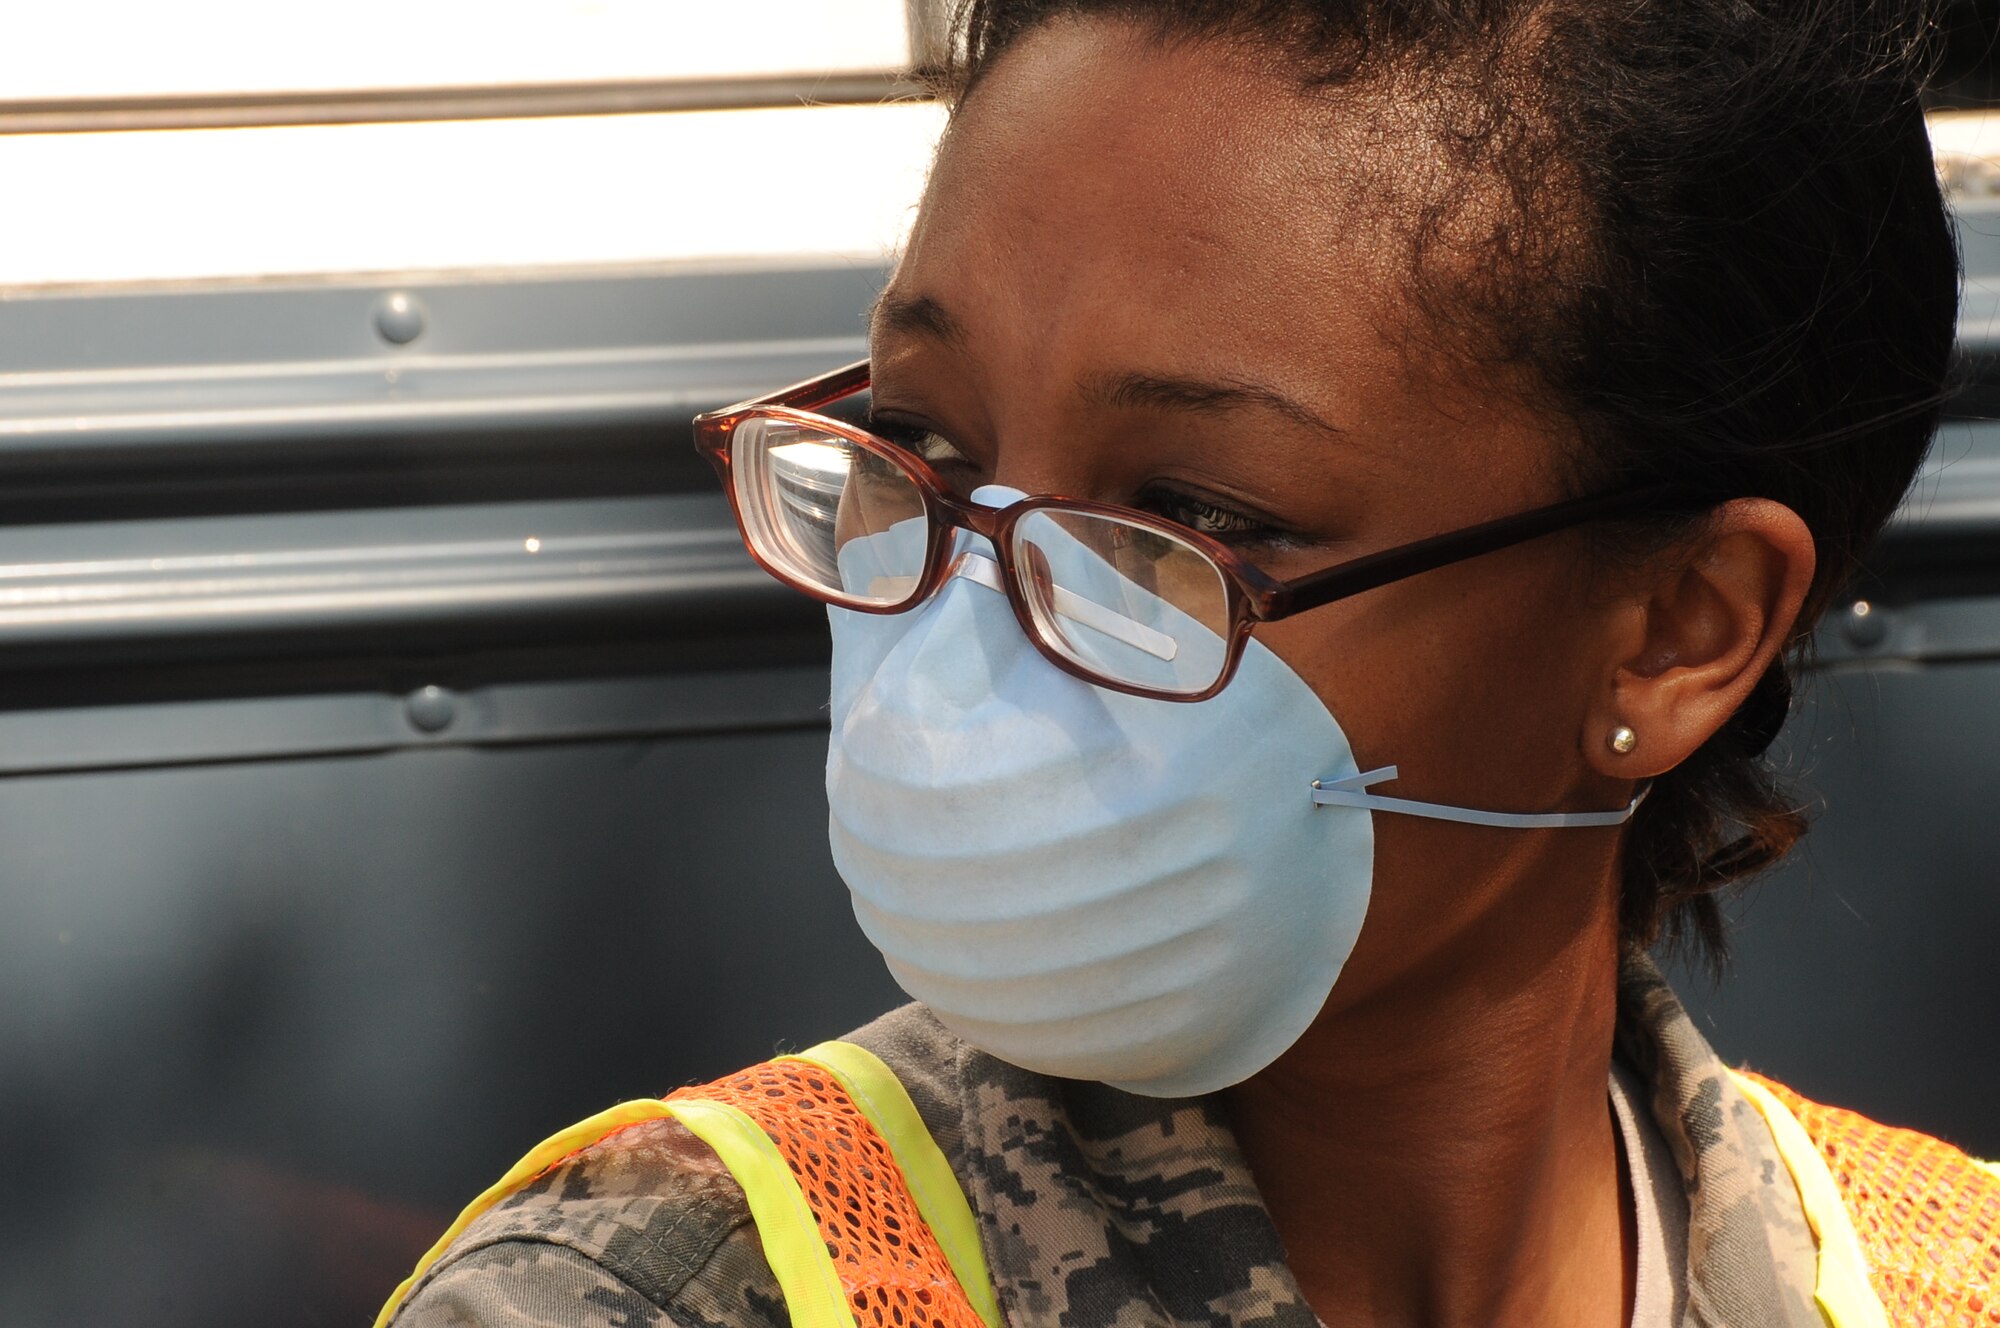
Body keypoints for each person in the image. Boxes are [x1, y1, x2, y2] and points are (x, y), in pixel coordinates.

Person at [378, 2, 1993, 1326]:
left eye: (1195, 517)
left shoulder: (1939, 1281)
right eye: (924, 441)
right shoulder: (649, 1293)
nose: (970, 630)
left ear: (1680, 629)